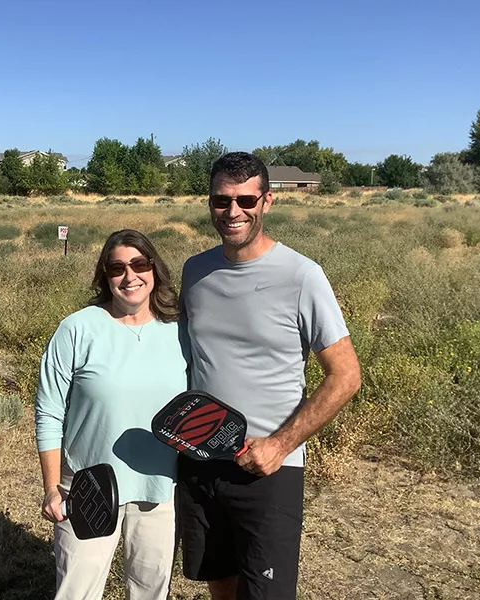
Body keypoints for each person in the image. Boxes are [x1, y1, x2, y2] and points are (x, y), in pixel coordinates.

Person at [177, 152, 362, 600]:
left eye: (245, 200)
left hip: (268, 468)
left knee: (267, 593)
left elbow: (346, 376)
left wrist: (279, 445)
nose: (233, 212)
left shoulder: (302, 275)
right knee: (218, 581)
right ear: (209, 203)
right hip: (200, 459)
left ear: (267, 201)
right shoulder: (194, 272)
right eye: (222, 201)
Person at [34, 229, 186, 600]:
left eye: (139, 264)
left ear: (155, 269)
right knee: (77, 591)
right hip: (88, 486)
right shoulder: (77, 329)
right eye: (117, 268)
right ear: (105, 276)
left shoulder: (180, 330)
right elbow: (49, 412)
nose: (129, 276)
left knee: (151, 590)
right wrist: (53, 488)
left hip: (159, 486)